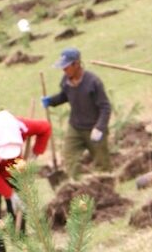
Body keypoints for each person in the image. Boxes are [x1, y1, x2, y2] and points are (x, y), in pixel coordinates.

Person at [0, 110, 52, 252]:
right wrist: (10, 195)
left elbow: (45, 128)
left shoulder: (21, 127)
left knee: (18, 213)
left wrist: (35, 153)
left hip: (15, 173)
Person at [42, 48, 112, 179]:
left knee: (103, 165)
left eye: (66, 67)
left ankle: (105, 190)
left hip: (94, 128)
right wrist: (50, 101)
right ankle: (78, 187)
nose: (64, 70)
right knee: (69, 158)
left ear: (77, 64)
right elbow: (65, 96)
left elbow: (105, 107)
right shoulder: (66, 81)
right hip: (75, 127)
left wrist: (100, 128)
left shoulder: (93, 82)